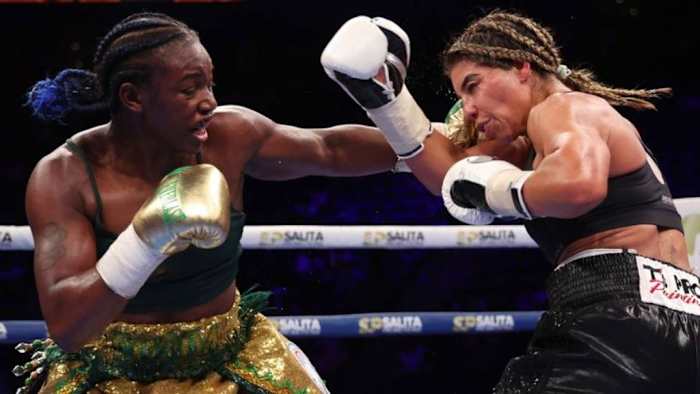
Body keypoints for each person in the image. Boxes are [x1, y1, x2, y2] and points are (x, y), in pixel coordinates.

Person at [15, 11, 413, 394]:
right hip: (108, 375)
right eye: (190, 89)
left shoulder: (229, 138)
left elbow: (330, 148)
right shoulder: (66, 176)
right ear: (133, 97)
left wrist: (432, 138)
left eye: (210, 85)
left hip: (231, 356)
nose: (208, 101)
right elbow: (67, 328)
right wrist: (145, 241)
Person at [322, 11, 696, 393]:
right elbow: (451, 174)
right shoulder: (545, 138)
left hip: (617, 320)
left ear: (521, 66)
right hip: (679, 324)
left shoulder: (564, 108)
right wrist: (386, 98)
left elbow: (578, 186)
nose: (467, 108)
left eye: (473, 85)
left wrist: (495, 190)